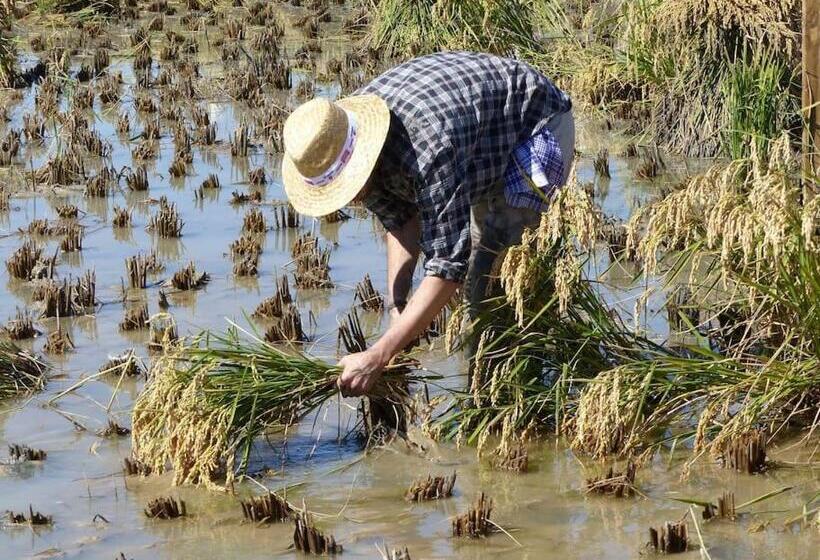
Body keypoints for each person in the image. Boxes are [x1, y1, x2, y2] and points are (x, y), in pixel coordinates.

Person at [281, 51, 574, 397]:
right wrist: (396, 306)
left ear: (360, 162)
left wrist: (380, 353)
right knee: (481, 272)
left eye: (346, 186)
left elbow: (448, 269)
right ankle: (502, 367)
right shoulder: (348, 140)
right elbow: (403, 222)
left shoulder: (429, 149)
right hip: (479, 141)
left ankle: (500, 397)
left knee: (489, 280)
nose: (351, 199)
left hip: (535, 126)